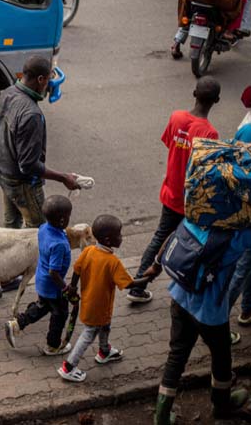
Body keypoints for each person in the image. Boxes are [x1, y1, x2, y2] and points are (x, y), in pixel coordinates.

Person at [0, 55, 80, 298]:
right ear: (40, 79)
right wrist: (64, 178)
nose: (50, 83)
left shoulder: (7, 93)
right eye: (48, 78)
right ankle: (46, 285)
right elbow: (28, 164)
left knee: (11, 228)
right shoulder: (31, 115)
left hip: (4, 175)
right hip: (23, 184)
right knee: (42, 232)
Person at [144, 218, 251, 424]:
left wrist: (156, 266)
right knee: (221, 357)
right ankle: (221, 405)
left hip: (180, 297)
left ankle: (162, 414)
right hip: (210, 312)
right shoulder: (239, 235)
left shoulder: (199, 217)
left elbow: (171, 237)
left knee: (176, 356)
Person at [128, 76, 221, 304]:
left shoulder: (176, 117)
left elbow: (171, 143)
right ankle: (181, 289)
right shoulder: (210, 133)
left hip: (170, 191)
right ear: (217, 100)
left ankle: (138, 284)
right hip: (190, 200)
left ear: (193, 93)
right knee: (188, 242)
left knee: (161, 236)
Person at [57, 215, 150, 382]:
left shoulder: (88, 251)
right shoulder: (112, 261)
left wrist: (72, 288)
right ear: (108, 240)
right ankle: (69, 366)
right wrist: (148, 277)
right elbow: (129, 284)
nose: (122, 237)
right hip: (99, 307)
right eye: (119, 234)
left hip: (89, 302)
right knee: (88, 334)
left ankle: (104, 351)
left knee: (105, 327)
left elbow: (77, 270)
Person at [4, 195, 75, 355]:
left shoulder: (44, 228)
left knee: (42, 307)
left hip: (41, 281)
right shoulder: (59, 244)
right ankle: (53, 345)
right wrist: (65, 288)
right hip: (54, 287)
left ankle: (16, 324)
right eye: (69, 215)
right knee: (60, 314)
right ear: (63, 220)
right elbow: (54, 271)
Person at [224, 86, 251, 342]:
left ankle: (246, 311)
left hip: (241, 206)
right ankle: (219, 319)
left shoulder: (244, 127)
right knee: (243, 265)